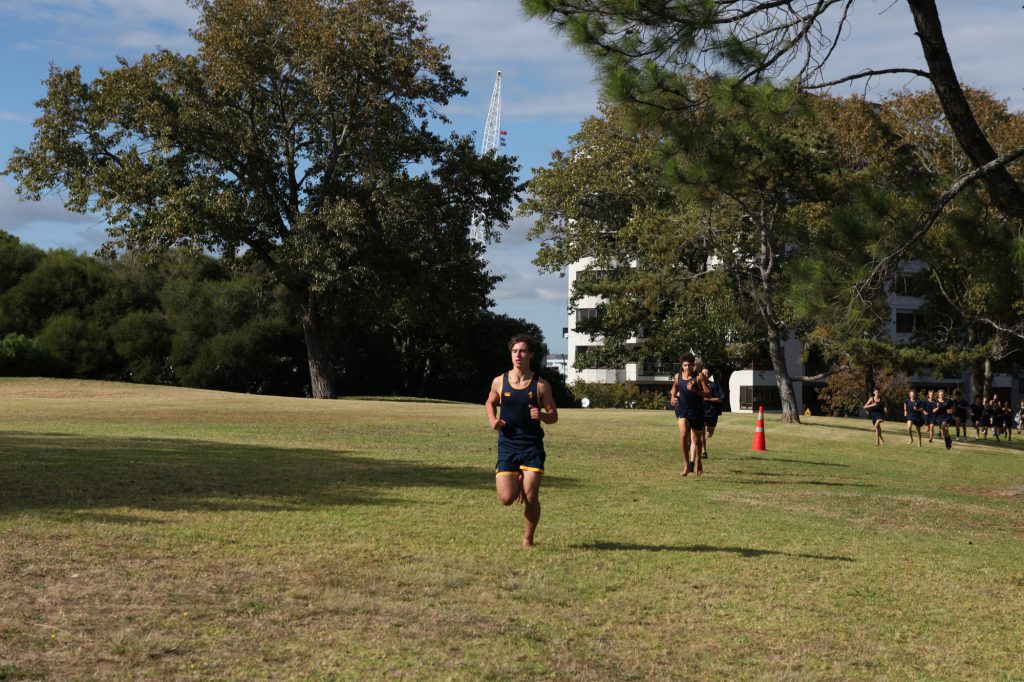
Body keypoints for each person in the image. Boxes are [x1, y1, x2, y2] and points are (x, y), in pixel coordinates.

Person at [485, 333, 558, 547]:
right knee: (506, 499)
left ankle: (528, 539)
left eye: (523, 351)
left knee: (531, 496)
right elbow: (489, 403)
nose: (518, 355)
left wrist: (542, 415)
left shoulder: (541, 386)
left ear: (531, 355)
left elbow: (554, 416)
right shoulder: (500, 381)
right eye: (515, 351)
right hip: (508, 446)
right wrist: (492, 420)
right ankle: (517, 476)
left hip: (531, 447)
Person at [669, 352, 712, 476]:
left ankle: (698, 461)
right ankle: (686, 465)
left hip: (696, 411)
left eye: (689, 365)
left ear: (694, 365)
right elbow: (674, 387)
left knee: (697, 441)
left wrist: (696, 391)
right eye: (685, 365)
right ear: (682, 365)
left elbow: (708, 394)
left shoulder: (699, 377)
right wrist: (672, 398)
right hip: (682, 409)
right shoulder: (678, 376)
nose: (687, 367)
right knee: (683, 434)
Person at [699, 365, 725, 459]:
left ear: (709, 375)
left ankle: (709, 432)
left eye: (707, 373)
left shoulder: (715, 385)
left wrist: (708, 399)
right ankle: (704, 452)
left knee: (709, 433)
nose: (704, 375)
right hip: (701, 411)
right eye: (703, 373)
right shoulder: (698, 385)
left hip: (712, 412)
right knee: (701, 432)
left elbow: (720, 399)